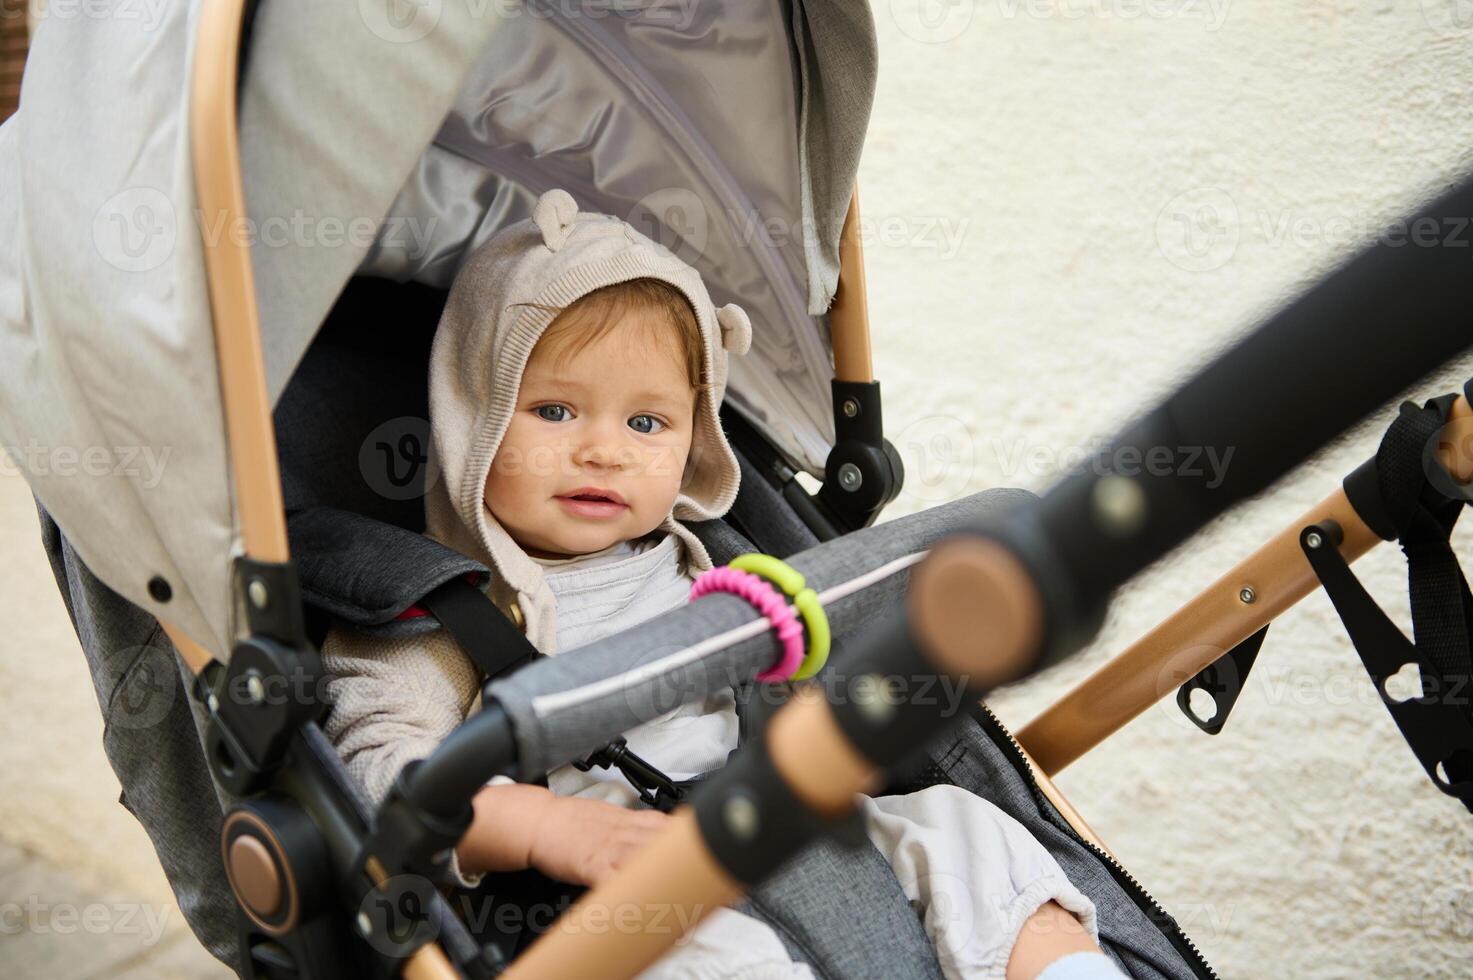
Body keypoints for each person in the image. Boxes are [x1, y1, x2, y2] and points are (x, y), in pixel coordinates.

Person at [321, 188, 1126, 979]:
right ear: (473, 415)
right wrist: (545, 829)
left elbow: (796, 680)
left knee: (967, 834)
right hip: (624, 891)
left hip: (799, 825)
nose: (604, 450)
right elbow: (385, 777)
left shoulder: (708, 562)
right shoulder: (437, 611)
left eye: (646, 424)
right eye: (557, 411)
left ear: (692, 438)